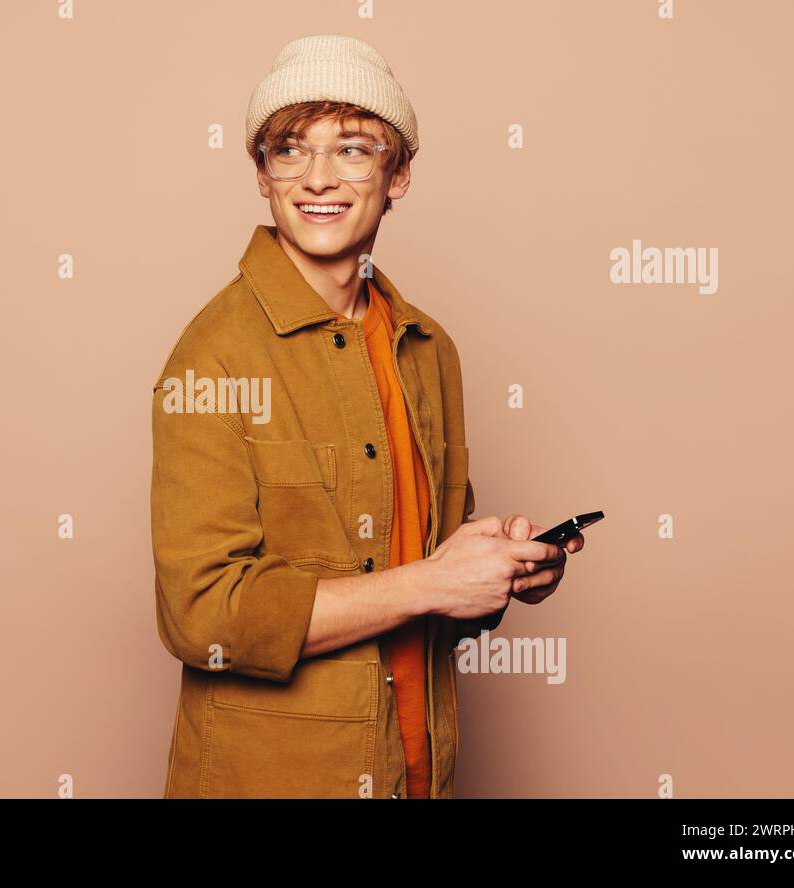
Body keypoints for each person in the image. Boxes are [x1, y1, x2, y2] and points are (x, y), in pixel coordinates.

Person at [150, 34, 583, 799]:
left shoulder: (429, 349)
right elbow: (204, 616)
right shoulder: (210, 359)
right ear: (262, 174)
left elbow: (430, 575)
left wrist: (500, 570)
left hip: (416, 771)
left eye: (353, 148)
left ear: (398, 175)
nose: (318, 178)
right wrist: (431, 584)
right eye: (290, 150)